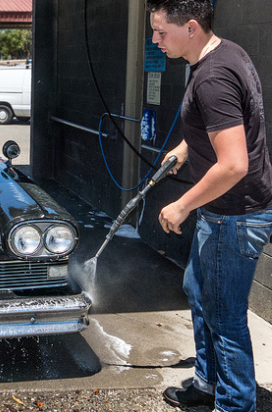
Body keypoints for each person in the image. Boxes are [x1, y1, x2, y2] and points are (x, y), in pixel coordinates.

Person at [147, 1, 272, 411]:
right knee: (198, 291)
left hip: (233, 217)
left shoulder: (212, 76)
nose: (155, 40)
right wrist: (186, 148)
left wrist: (182, 205)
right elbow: (224, 125)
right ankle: (208, 383)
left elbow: (235, 163)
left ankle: (235, 404)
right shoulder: (225, 53)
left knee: (225, 315)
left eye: (162, 32)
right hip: (224, 212)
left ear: (192, 27)